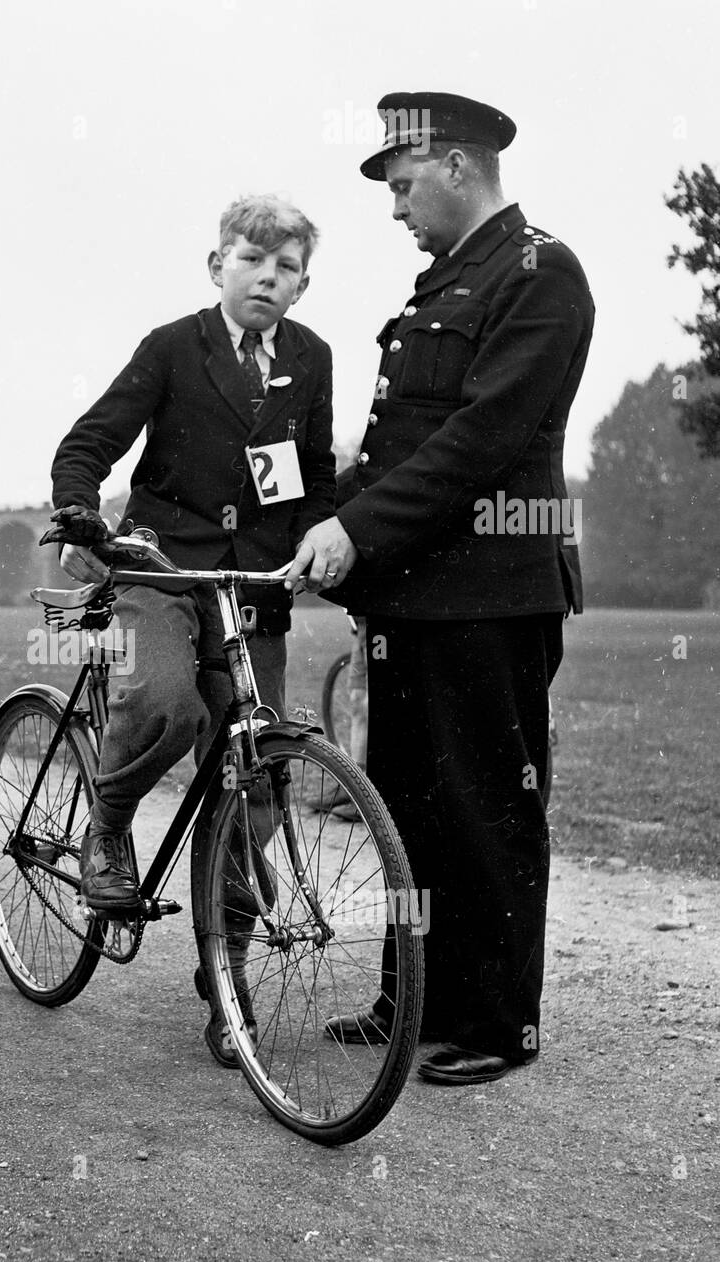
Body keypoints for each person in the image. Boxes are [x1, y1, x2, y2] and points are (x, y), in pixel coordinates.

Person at [292, 93, 594, 1085]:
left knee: (486, 808)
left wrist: (355, 529)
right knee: (411, 805)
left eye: (404, 183)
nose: (394, 207)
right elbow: (400, 449)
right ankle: (413, 999)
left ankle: (501, 1023)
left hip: (495, 594)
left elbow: (482, 439)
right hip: (418, 598)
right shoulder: (437, 289)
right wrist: (323, 521)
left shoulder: (540, 273)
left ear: (458, 167)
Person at [50, 194, 337, 1065]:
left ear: (301, 284)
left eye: (285, 267)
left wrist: (322, 537)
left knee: (256, 779)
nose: (267, 277)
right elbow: (90, 440)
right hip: (161, 566)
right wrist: (77, 512)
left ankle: (228, 980)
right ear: (217, 265)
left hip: (249, 589)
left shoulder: (311, 360)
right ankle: (107, 826)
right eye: (251, 259)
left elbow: (313, 474)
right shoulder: (173, 346)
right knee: (168, 704)